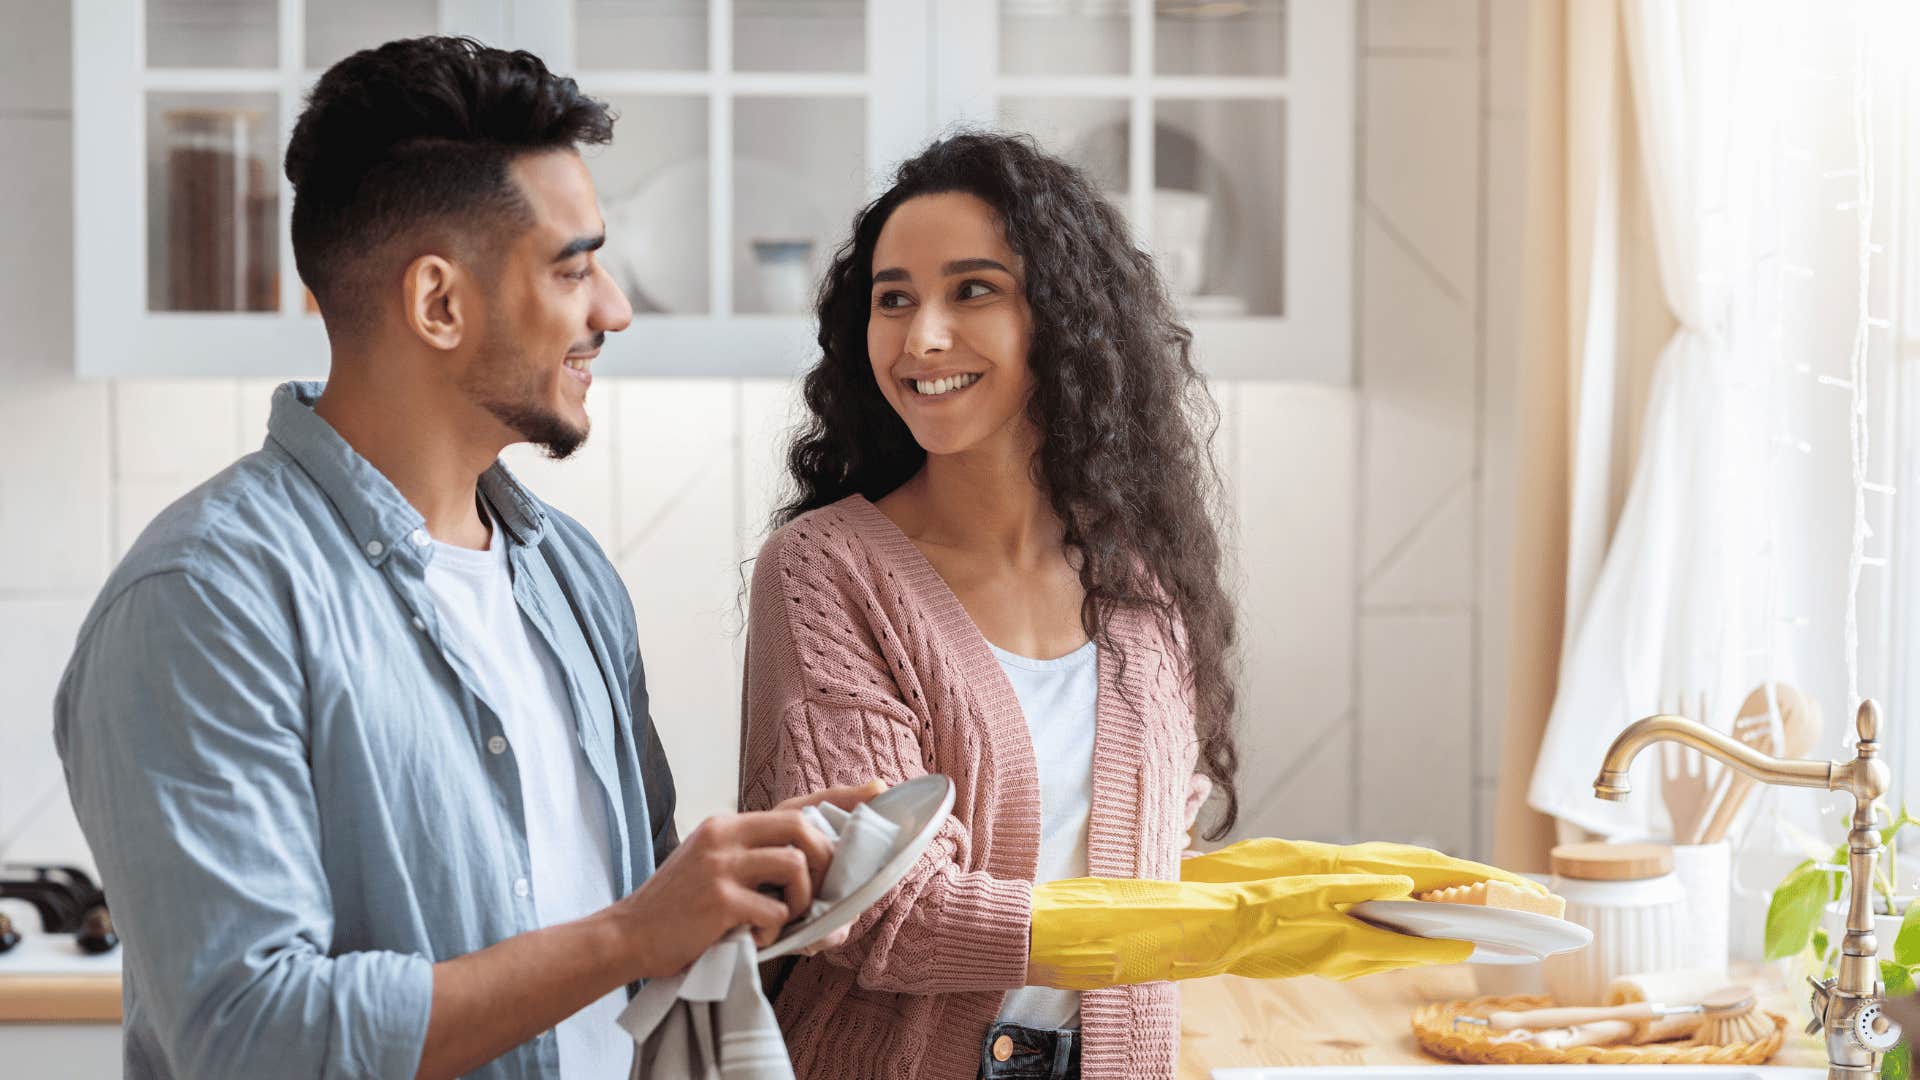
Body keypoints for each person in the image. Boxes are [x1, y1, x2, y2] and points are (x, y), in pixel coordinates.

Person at [54, 36, 868, 1080]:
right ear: (438, 302)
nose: (613, 309)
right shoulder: (208, 600)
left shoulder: (569, 576)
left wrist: (743, 895)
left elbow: (623, 941)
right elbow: (248, 1035)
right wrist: (629, 934)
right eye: (573, 266)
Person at [738, 132, 1527, 1080]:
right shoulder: (827, 571)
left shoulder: (1140, 588)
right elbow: (885, 915)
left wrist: (1324, 892)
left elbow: (1137, 871)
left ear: (1063, 319)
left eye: (973, 289)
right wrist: (1236, 927)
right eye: (893, 298)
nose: (922, 338)